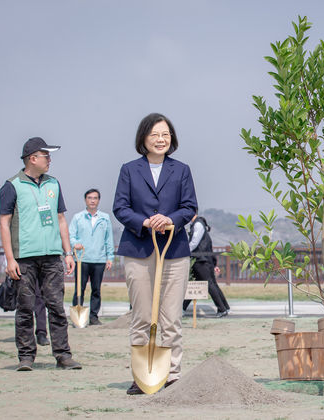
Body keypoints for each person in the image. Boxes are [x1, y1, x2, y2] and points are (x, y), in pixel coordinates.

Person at [113, 113, 197, 395]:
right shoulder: (129, 169)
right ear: (143, 139)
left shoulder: (182, 170)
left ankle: (172, 375)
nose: (161, 140)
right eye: (155, 135)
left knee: (171, 318)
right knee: (141, 316)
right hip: (139, 250)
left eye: (166, 135)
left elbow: (189, 207)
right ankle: (141, 376)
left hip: (174, 251)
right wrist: (146, 222)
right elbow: (120, 208)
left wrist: (170, 219)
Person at [0, 137, 82, 371]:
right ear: (32, 158)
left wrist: (67, 253)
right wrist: (10, 258)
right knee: (25, 308)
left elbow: (60, 219)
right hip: (24, 258)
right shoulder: (11, 185)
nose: (50, 160)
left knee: (56, 306)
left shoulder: (54, 184)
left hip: (52, 257)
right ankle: (26, 357)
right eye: (46, 156)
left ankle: (63, 355)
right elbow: (4, 224)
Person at [69, 188, 115, 325]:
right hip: (82, 259)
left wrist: (110, 257)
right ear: (85, 200)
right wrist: (74, 244)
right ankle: (77, 317)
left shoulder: (105, 218)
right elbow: (71, 235)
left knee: (96, 289)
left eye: (95, 198)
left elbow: (109, 239)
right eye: (90, 198)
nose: (92, 201)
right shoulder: (78, 217)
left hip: (99, 259)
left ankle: (93, 316)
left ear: (98, 200)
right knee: (79, 289)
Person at [183, 216, 230, 317]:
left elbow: (194, 242)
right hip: (204, 259)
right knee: (203, 284)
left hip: (201, 260)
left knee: (208, 284)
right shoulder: (200, 224)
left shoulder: (198, 224)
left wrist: (185, 252)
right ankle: (225, 307)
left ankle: (222, 309)